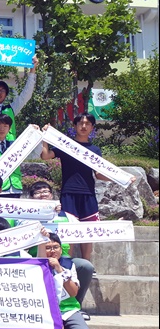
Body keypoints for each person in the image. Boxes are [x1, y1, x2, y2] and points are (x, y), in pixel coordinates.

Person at [40, 112, 112, 261]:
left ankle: (87, 264)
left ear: (92, 127)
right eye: (80, 123)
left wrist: (119, 178)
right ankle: (67, 264)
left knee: (88, 231)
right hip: (69, 193)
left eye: (87, 124)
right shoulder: (66, 145)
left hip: (88, 194)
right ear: (75, 126)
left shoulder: (95, 150)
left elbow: (99, 174)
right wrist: (45, 137)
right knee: (68, 230)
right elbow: (45, 156)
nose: (84, 126)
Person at [27, 180, 95, 320]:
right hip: (36, 259)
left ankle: (76, 306)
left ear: (52, 195)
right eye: (38, 193)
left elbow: (85, 232)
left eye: (45, 191)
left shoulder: (67, 216)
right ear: (31, 198)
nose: (42, 195)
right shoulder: (26, 218)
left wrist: (111, 228)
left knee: (85, 266)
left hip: (63, 259)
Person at [0, 115, 41, 198]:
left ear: (9, 128)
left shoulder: (15, 145)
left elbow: (33, 156)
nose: (2, 129)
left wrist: (37, 135)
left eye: (5, 126)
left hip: (15, 187)